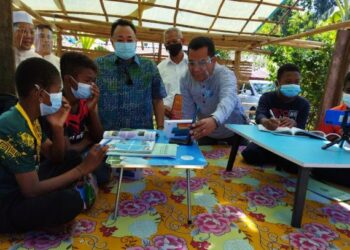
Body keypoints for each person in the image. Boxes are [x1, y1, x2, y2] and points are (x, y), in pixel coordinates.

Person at [0, 58, 107, 233]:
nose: (60, 97)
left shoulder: (27, 117)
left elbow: (56, 156)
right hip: (7, 201)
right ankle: (42, 222)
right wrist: (82, 169)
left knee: (71, 158)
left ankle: (48, 219)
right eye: (57, 91)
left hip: (21, 184)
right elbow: (31, 190)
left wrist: (58, 127)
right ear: (39, 93)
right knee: (70, 201)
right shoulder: (12, 127)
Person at [95, 19, 167, 130]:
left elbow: (157, 99)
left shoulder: (149, 66)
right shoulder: (99, 66)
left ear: (135, 41)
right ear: (112, 41)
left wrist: (161, 127)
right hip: (108, 136)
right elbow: (90, 100)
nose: (125, 44)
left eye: (129, 40)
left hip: (142, 136)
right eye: (120, 40)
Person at [241, 63, 310, 169]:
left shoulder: (304, 104)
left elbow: (301, 127)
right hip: (266, 141)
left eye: (297, 82)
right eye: (288, 82)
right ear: (277, 83)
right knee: (249, 154)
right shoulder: (267, 98)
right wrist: (266, 122)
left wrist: (294, 123)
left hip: (290, 144)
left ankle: (280, 159)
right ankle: (280, 160)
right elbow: (260, 115)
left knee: (299, 166)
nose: (293, 85)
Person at [180, 36, 247, 145]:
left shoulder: (226, 75)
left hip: (236, 132)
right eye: (191, 63)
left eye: (202, 62)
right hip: (206, 134)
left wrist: (215, 120)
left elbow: (228, 100)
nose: (196, 69)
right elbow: (187, 112)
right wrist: (185, 134)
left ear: (214, 61)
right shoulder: (185, 79)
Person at [312, 72, 350, 186]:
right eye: (349, 90)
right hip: (336, 162)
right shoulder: (334, 113)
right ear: (343, 90)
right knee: (317, 169)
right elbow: (322, 141)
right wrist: (338, 137)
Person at [158, 27, 188, 118]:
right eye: (168, 43)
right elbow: (154, 94)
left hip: (190, 118)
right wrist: (163, 107)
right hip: (166, 119)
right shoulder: (160, 68)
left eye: (174, 41)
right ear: (165, 45)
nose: (171, 44)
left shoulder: (193, 65)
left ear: (182, 41)